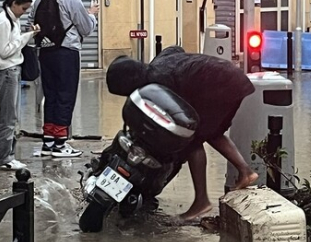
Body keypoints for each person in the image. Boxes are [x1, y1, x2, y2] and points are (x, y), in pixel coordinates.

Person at [106, 48, 259, 221]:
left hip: (222, 85)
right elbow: (175, 49)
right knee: (212, 134)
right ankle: (246, 172)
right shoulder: (157, 66)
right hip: (230, 77)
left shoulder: (159, 83)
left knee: (192, 141)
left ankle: (202, 201)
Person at [27, 0, 99, 158]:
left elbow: (30, 25)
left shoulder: (40, 0)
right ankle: (61, 143)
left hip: (45, 52)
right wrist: (92, 15)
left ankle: (48, 141)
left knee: (50, 95)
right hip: (67, 52)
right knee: (65, 94)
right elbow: (86, 29)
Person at [0, 0, 40, 170]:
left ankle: (8, 156)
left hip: (11, 70)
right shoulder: (4, 21)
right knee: (8, 117)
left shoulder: (13, 20)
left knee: (12, 116)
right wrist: (27, 37)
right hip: (6, 71)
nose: (24, 12)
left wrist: (26, 35)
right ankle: (5, 158)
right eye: (24, 8)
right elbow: (5, 50)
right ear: (15, 4)